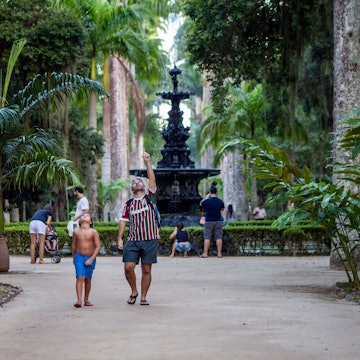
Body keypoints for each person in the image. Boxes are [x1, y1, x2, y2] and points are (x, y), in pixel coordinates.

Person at [117, 152, 159, 306]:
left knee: (146, 269)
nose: (136, 182)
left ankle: (143, 297)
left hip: (150, 239)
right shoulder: (128, 204)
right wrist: (120, 238)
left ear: (143, 186)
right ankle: (134, 290)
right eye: (134, 182)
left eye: (139, 181)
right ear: (132, 189)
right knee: (128, 267)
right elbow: (123, 221)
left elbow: (152, 179)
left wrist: (147, 162)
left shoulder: (150, 198)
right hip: (133, 240)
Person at [71, 214, 101, 308]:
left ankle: (86, 299)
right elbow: (74, 246)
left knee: (87, 279)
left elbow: (98, 246)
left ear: (90, 221)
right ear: (79, 221)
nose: (84, 216)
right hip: (79, 257)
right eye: (83, 216)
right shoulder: (76, 232)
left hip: (90, 257)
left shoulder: (93, 232)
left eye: (87, 216)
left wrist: (91, 259)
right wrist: (74, 257)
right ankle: (79, 300)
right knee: (80, 277)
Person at [199, 184, 225, 258]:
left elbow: (201, 203)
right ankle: (219, 254)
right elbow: (222, 209)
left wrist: (207, 196)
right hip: (218, 220)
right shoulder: (220, 201)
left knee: (207, 237)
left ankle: (205, 253)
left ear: (210, 192)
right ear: (216, 193)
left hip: (208, 221)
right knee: (218, 237)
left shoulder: (207, 201)